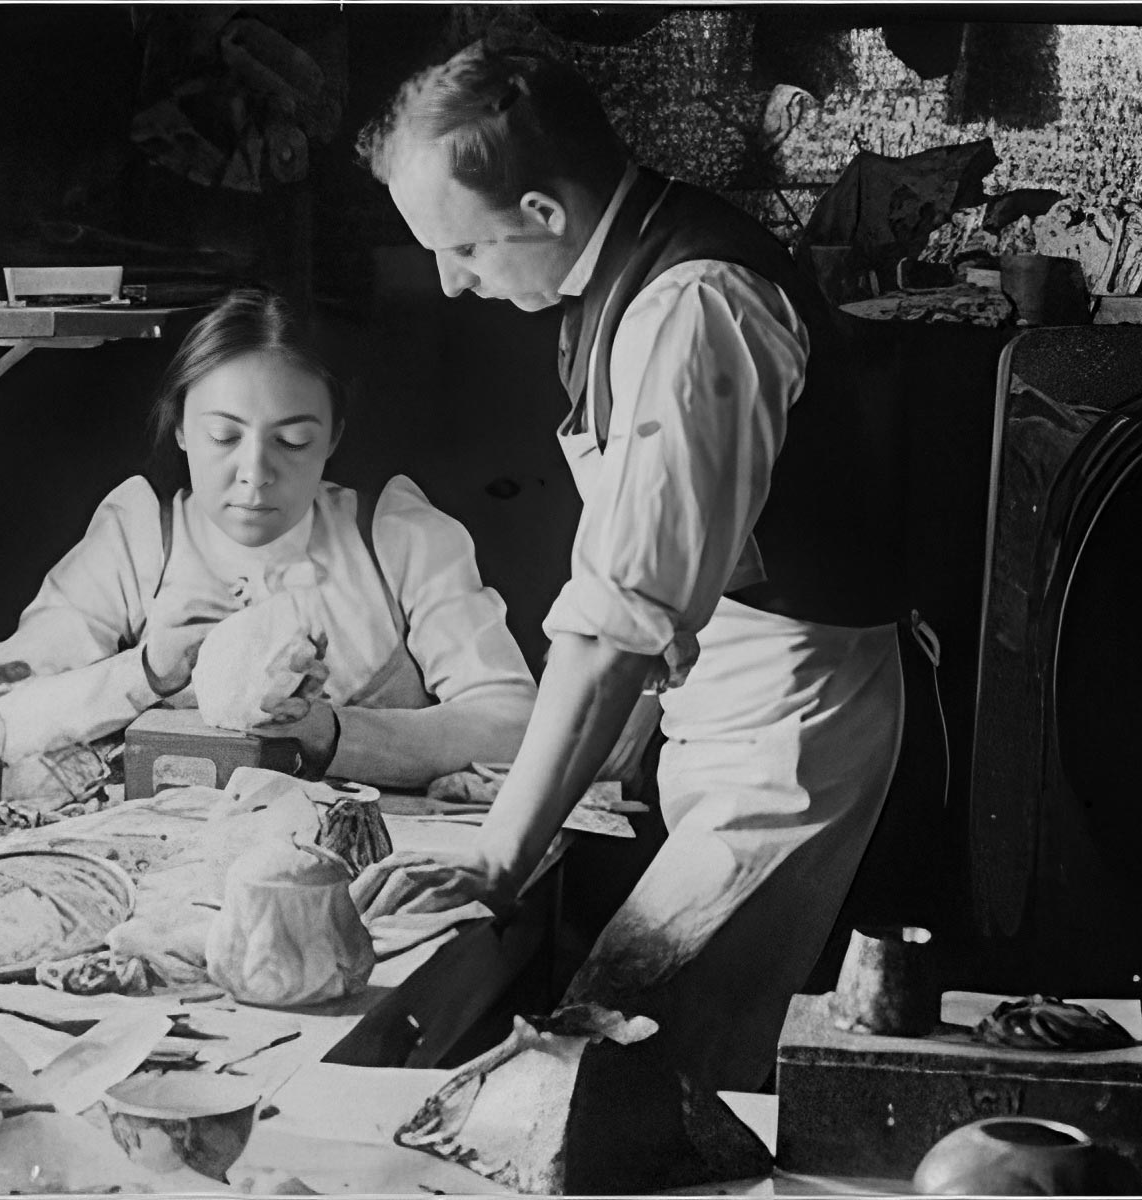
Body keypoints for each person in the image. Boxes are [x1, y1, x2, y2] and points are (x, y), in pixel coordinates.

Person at [353, 41, 911, 1091]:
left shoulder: (693, 310)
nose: (451, 281)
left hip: (784, 730)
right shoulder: (629, 273)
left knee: (621, 1051)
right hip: (726, 701)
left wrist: (499, 855)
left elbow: (620, 618)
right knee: (653, 1050)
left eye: (464, 249)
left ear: (547, 214)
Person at [0, 287, 536, 791]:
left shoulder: (397, 537)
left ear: (333, 437)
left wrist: (329, 732)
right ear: (181, 428)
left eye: (294, 442)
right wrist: (145, 673)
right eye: (224, 437)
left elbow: (513, 722)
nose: (255, 472)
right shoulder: (140, 540)